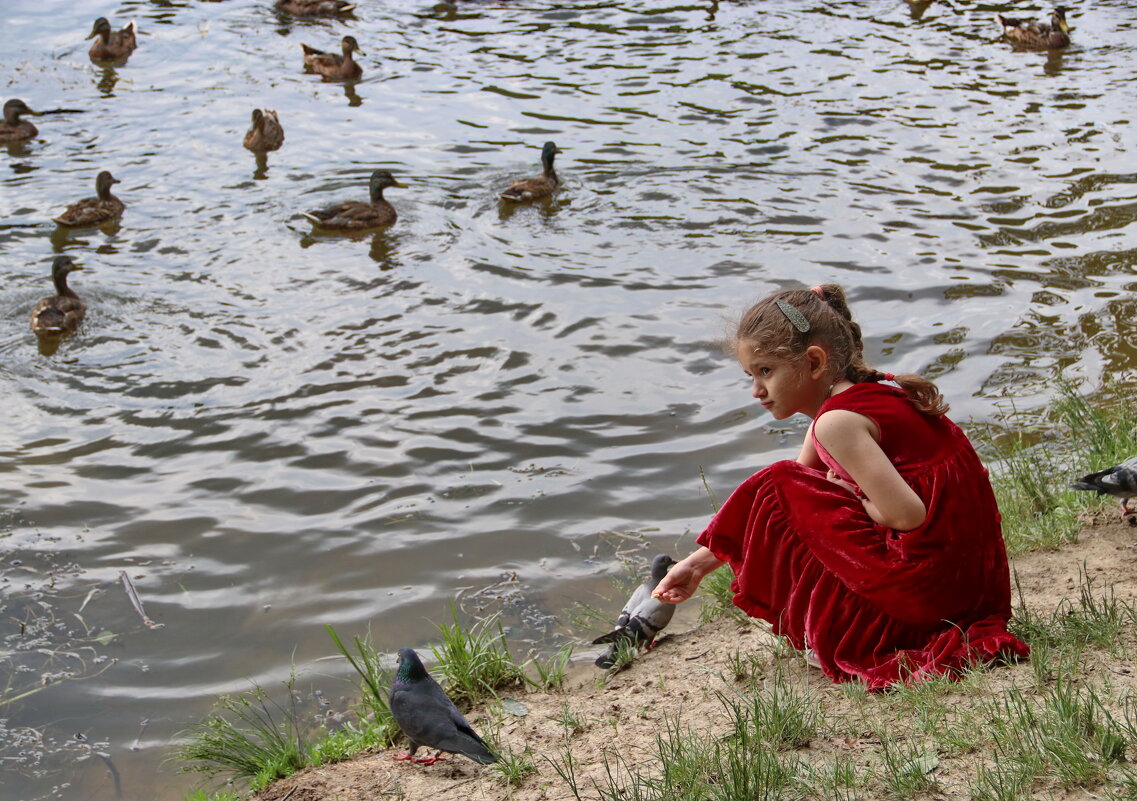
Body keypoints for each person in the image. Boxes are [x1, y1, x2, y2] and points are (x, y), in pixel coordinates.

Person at [653, 284, 1028, 689]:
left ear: (814, 362)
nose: (756, 391)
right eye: (750, 375)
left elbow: (907, 514)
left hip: (935, 596)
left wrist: (856, 498)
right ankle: (855, 620)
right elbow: (786, 501)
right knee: (789, 486)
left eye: (766, 371)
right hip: (970, 591)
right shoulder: (862, 398)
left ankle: (853, 633)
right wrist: (695, 565)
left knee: (778, 481)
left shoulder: (838, 422)